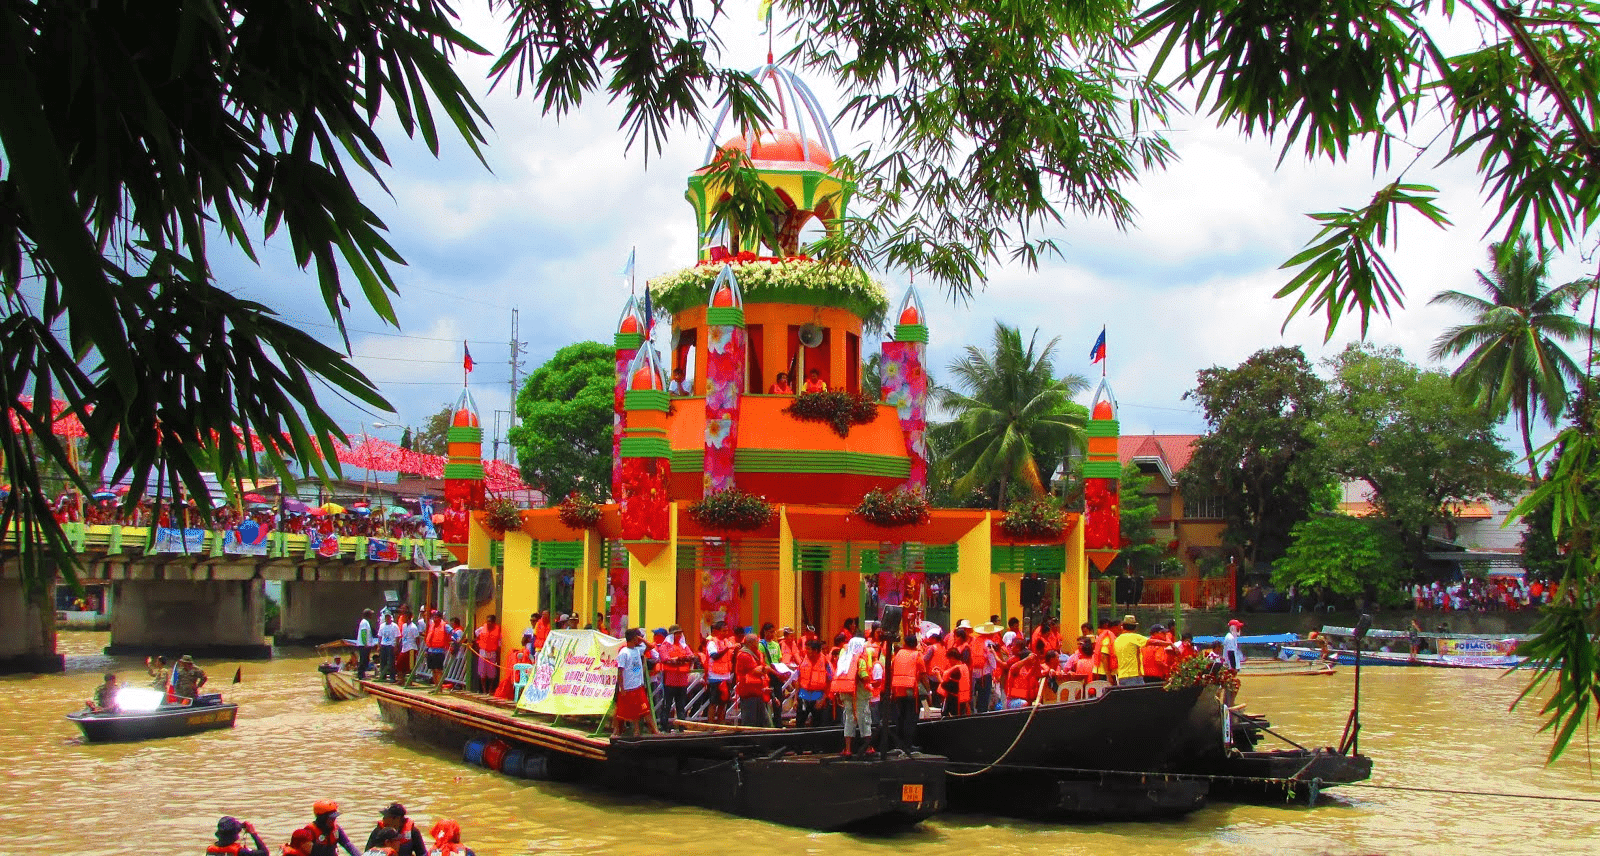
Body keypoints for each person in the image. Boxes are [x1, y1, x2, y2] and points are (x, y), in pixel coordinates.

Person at [831, 636, 874, 757]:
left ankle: (848, 749)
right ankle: (868, 747)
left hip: (846, 694)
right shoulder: (859, 660)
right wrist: (870, 681)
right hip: (859, 696)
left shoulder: (843, 659)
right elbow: (863, 675)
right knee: (864, 720)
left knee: (849, 720)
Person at [884, 633, 926, 752]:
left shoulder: (898, 655)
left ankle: (899, 744)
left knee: (900, 718)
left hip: (897, 690)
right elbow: (923, 676)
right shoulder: (918, 655)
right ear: (916, 644)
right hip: (911, 691)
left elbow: (891, 671)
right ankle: (908, 745)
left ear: (905, 643)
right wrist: (928, 691)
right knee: (910, 718)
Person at [612, 628, 659, 736]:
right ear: (633, 638)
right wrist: (622, 688)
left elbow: (651, 646)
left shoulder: (638, 650)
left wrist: (641, 639)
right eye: (637, 637)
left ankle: (653, 731)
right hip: (628, 687)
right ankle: (617, 732)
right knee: (622, 713)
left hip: (638, 685)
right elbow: (620, 671)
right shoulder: (624, 652)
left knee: (645, 710)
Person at [656, 624, 694, 732]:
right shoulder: (665, 646)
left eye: (680, 633)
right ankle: (664, 727)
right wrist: (679, 659)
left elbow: (691, 656)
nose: (679, 635)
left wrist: (680, 659)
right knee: (667, 705)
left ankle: (682, 726)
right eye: (677, 633)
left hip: (682, 680)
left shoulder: (684, 646)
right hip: (670, 679)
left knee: (681, 705)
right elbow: (666, 659)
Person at [734, 632, 776, 727]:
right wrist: (768, 670)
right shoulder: (744, 655)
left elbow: (763, 668)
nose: (758, 644)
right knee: (750, 720)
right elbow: (757, 671)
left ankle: (765, 737)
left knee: (763, 720)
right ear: (752, 643)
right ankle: (748, 739)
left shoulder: (756, 654)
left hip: (758, 691)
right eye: (757, 642)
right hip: (748, 692)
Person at [794, 638, 832, 728]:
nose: (806, 651)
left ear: (815, 651)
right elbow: (798, 680)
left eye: (808, 649)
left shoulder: (825, 663)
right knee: (799, 724)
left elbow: (829, 682)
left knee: (817, 725)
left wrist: (822, 699)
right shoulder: (804, 660)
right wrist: (795, 699)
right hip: (803, 697)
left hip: (818, 698)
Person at [703, 620, 735, 724]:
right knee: (713, 702)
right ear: (717, 631)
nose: (726, 633)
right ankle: (711, 724)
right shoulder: (712, 642)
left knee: (724, 702)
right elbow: (714, 656)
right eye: (723, 631)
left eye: (727, 631)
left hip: (726, 676)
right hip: (714, 677)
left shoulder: (727, 642)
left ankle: (721, 723)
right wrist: (726, 649)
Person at [1112, 615, 1158, 686]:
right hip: (1134, 675)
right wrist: (1169, 644)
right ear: (1134, 627)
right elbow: (1153, 642)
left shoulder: (1117, 639)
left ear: (1123, 626)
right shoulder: (1134, 637)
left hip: (1122, 675)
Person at [423, 610, 451, 693]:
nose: (434, 618)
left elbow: (453, 633)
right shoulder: (432, 626)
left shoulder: (445, 626)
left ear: (440, 618)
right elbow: (429, 638)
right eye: (433, 617)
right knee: (433, 670)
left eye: (436, 617)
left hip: (439, 651)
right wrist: (427, 650)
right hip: (431, 650)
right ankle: (436, 687)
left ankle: (440, 688)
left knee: (438, 670)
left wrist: (455, 641)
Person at [474, 615, 501, 695]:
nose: (488, 623)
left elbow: (499, 643)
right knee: (482, 672)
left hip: (492, 653)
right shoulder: (482, 629)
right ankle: (484, 690)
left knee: (492, 673)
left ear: (493, 623)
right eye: (487, 621)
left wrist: (498, 657)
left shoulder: (498, 631)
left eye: (490, 622)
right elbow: (476, 635)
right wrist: (478, 644)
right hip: (483, 652)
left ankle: (490, 690)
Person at [377, 613, 399, 682]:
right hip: (384, 645)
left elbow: (397, 637)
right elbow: (380, 636)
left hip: (391, 645)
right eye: (386, 617)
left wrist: (396, 646)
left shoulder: (394, 626)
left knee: (391, 662)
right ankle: (383, 676)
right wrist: (379, 645)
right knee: (383, 661)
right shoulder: (382, 626)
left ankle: (392, 677)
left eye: (388, 617)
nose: (387, 619)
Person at [397, 610, 420, 680]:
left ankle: (410, 681)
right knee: (399, 664)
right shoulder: (404, 626)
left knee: (411, 666)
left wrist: (417, 649)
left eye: (404, 617)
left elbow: (417, 638)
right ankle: (401, 679)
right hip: (404, 648)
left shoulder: (413, 627)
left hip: (411, 648)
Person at [355, 609, 375, 679]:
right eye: (371, 614)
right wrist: (365, 643)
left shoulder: (366, 622)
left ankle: (362, 674)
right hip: (363, 645)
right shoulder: (364, 622)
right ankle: (360, 674)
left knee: (366, 660)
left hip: (366, 644)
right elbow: (363, 632)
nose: (372, 616)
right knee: (363, 660)